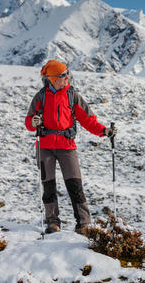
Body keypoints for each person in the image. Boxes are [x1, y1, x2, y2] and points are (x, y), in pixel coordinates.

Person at [25, 59, 117, 234]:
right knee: (48, 186)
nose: (67, 77)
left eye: (67, 73)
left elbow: (88, 120)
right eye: (63, 75)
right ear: (52, 79)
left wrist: (104, 131)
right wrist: (33, 122)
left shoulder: (72, 96)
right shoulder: (40, 97)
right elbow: (28, 121)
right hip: (44, 147)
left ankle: (84, 224)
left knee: (75, 185)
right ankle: (53, 223)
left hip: (67, 146)